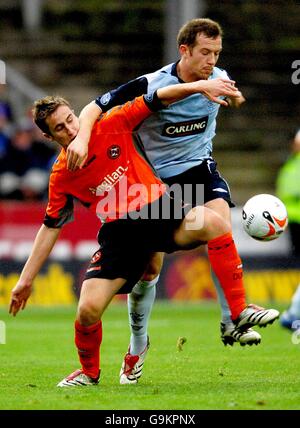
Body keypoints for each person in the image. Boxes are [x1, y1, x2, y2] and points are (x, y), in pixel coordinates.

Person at [9, 82, 279, 388]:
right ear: (48, 136)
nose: (70, 129)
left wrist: (200, 86)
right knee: (87, 310)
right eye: (60, 127)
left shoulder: (112, 123)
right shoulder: (61, 174)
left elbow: (156, 98)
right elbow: (51, 225)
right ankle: (90, 373)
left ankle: (238, 312)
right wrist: (25, 280)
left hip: (159, 210)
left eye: (71, 119)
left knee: (215, 224)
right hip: (121, 235)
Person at [66, 18, 262, 384]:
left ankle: (231, 319)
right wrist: (80, 139)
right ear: (184, 50)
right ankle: (138, 345)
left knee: (219, 225)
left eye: (216, 53)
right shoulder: (154, 83)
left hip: (201, 171)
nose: (211, 60)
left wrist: (234, 97)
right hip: (156, 184)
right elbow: (95, 106)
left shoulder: (218, 75)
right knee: (150, 270)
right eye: (205, 52)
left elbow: (236, 97)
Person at [276, 128, 300, 331]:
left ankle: (292, 313)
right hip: (296, 221)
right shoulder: (292, 166)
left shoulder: (291, 166)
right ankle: (293, 314)